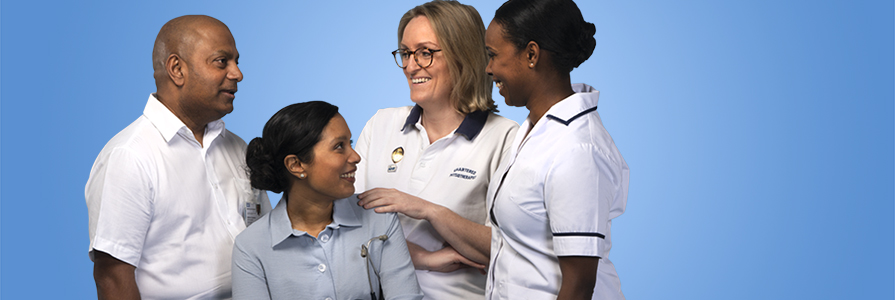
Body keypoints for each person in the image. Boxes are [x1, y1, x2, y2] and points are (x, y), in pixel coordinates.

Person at [85, 15, 271, 299]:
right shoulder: (130, 157)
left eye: (236, 61)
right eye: (222, 61)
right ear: (177, 69)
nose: (237, 74)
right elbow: (112, 277)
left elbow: (265, 234)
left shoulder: (237, 147)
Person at [353, 1, 519, 299]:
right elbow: (341, 227)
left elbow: (512, 250)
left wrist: (429, 211)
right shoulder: (381, 125)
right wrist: (420, 256)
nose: (410, 65)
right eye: (405, 53)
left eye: (425, 53)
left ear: (463, 56)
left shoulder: (506, 138)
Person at [483, 0, 629, 299]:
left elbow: (578, 285)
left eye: (493, 56)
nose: (489, 69)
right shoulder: (535, 130)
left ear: (532, 54)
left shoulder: (577, 150)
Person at [231, 101, 423, 300]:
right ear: (296, 165)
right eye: (339, 146)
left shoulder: (380, 219)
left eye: (350, 142)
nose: (356, 156)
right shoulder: (250, 247)